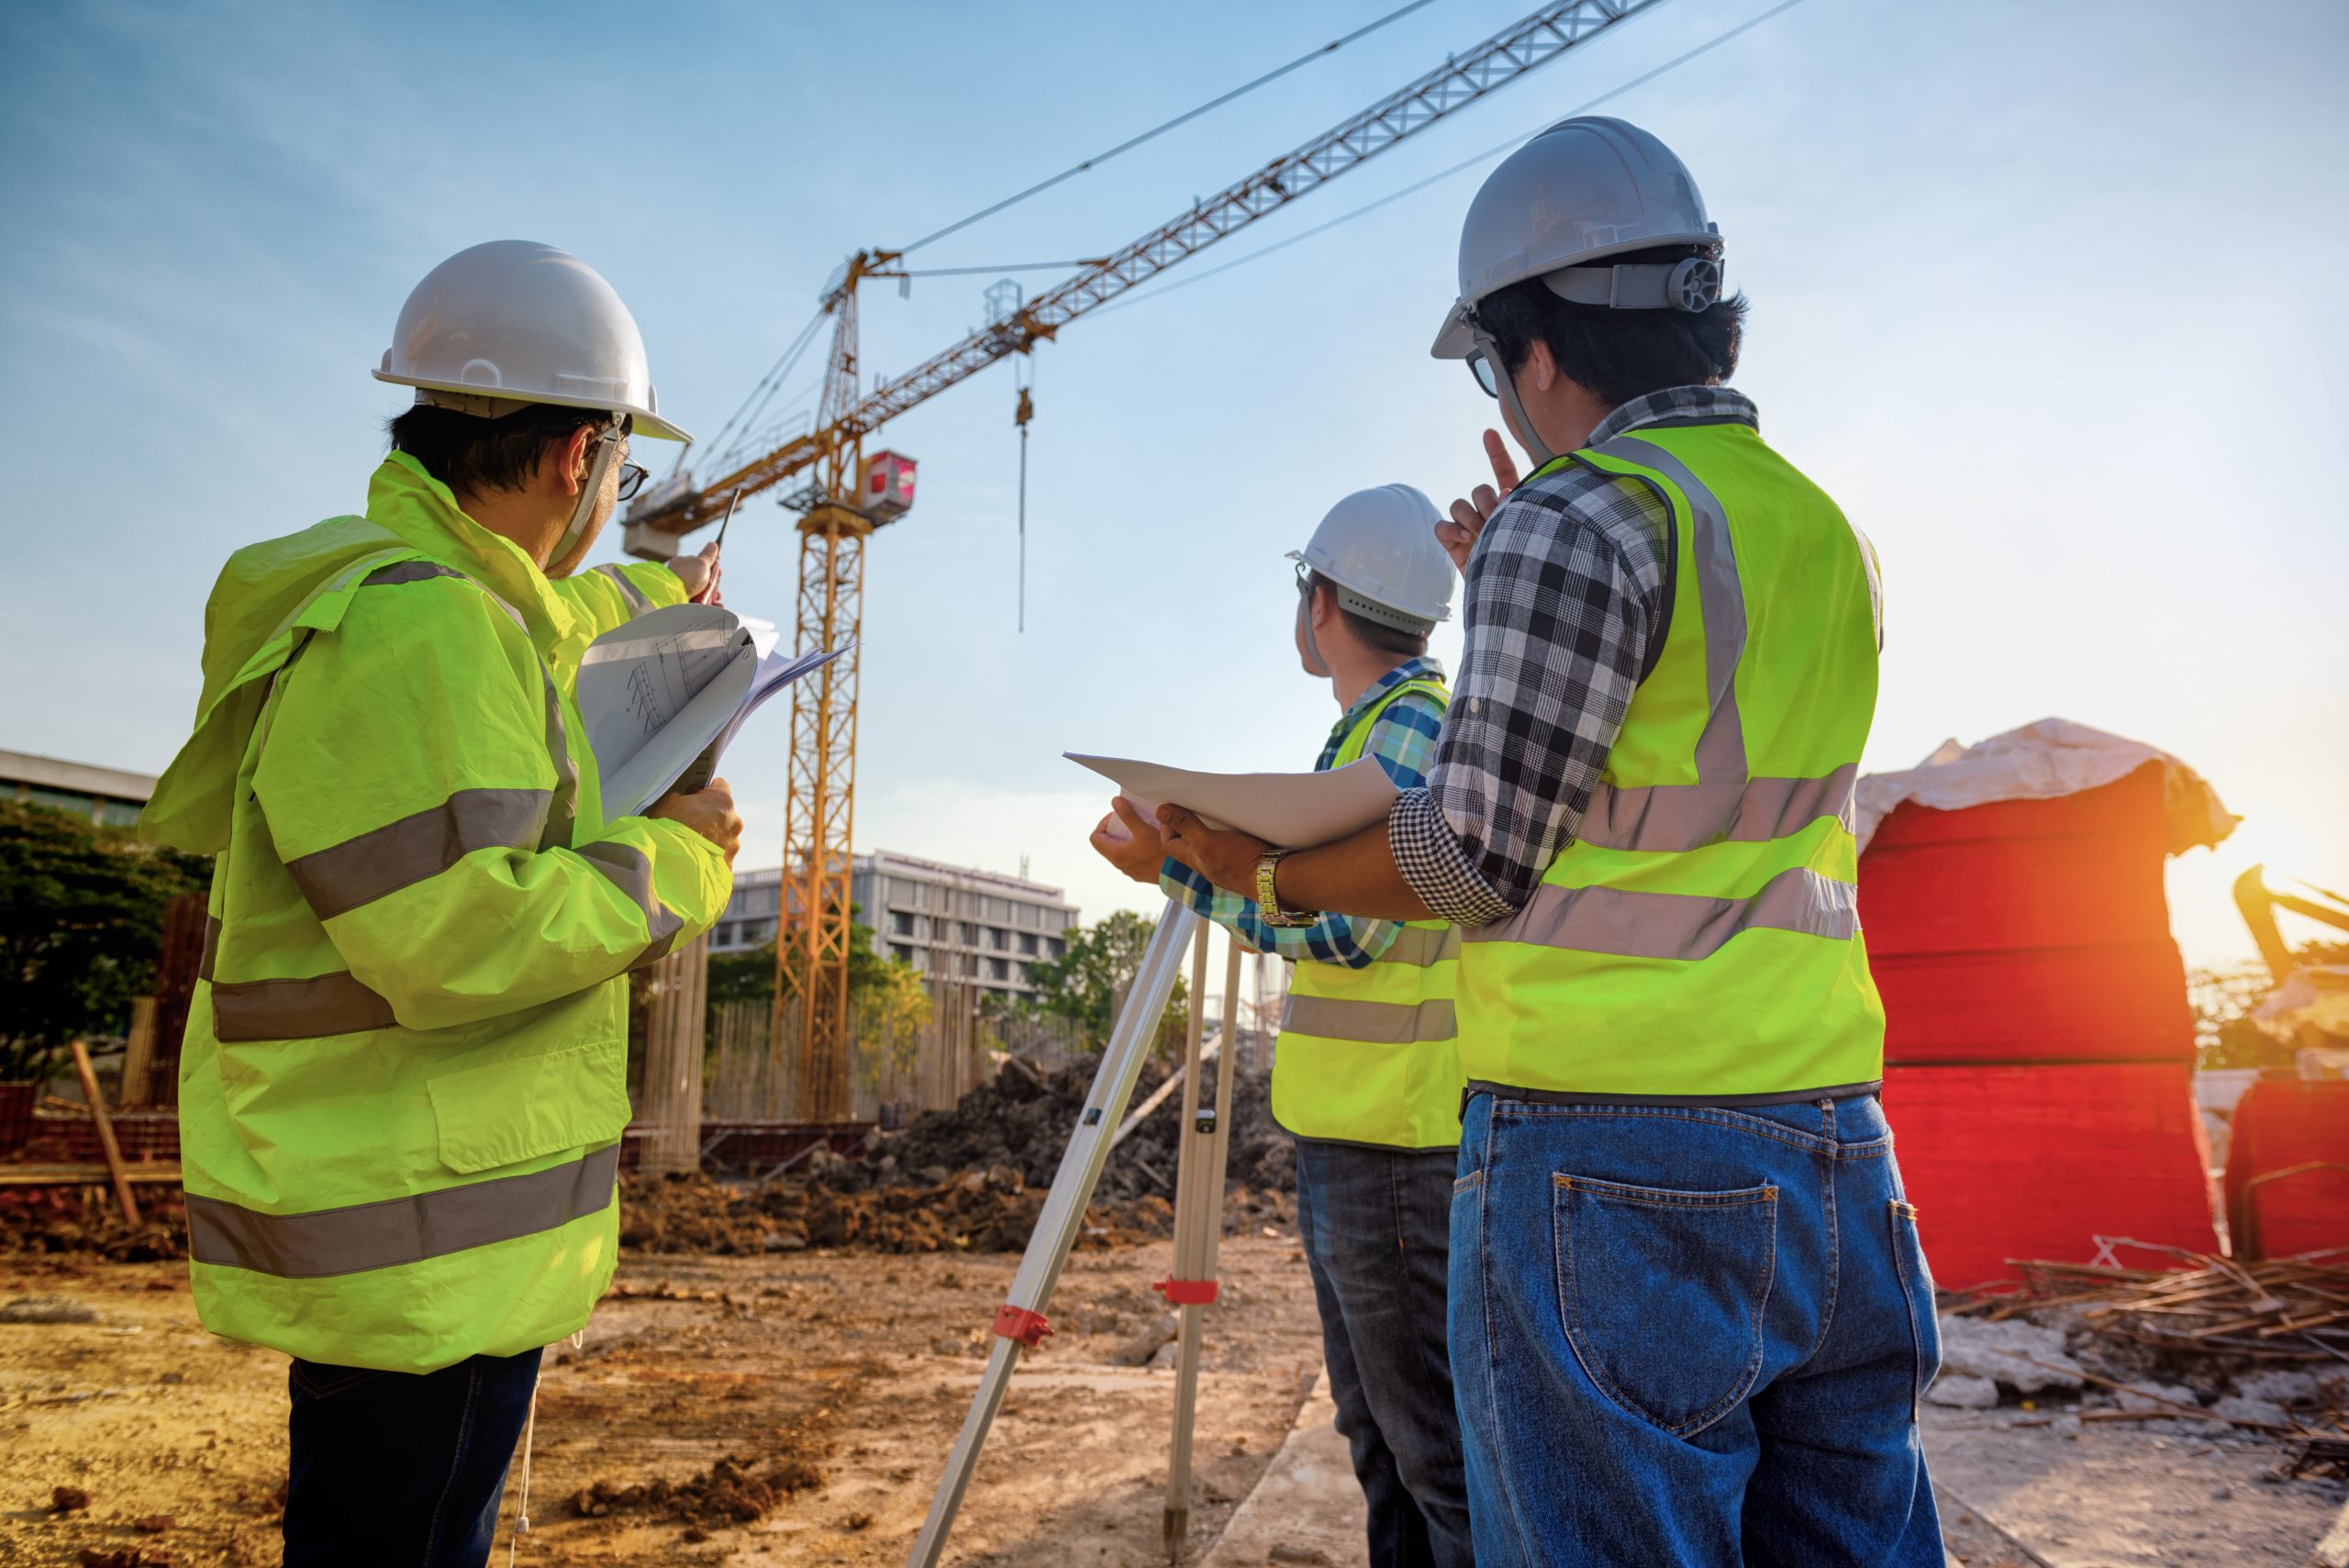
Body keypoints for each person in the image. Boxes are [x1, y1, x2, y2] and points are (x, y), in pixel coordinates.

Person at [1152, 117, 1941, 1566]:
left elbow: (1468, 856)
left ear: (1532, 352)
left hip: (1614, 1149)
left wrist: (1256, 872)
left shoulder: (1577, 515)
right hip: (1834, 1136)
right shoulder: (1827, 529)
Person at [140, 239, 742, 1568]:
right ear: (579, 457)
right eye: (622, 474)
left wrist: (655, 593)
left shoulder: (440, 602)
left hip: (417, 1216)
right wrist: (680, 855)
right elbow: (461, 938)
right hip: (422, 1243)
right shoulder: (422, 627)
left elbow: (542, 619)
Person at [1092, 484, 1474, 1568]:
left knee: (1432, 1454)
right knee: (1382, 1440)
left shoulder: (1409, 724)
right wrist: (1200, 860)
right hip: (1356, 1135)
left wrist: (1182, 866)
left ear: (1322, 601)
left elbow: (1353, 928)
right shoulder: (1369, 727)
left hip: (1399, 1143)